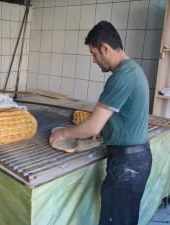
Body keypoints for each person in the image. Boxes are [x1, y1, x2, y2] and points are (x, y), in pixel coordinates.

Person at [50, 21, 152, 225]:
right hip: (136, 160)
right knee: (124, 219)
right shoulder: (133, 70)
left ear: (105, 48)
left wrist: (64, 133)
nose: (94, 61)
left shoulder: (122, 76)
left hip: (127, 165)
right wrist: (107, 130)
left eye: (94, 54)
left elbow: (93, 126)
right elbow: (119, 117)